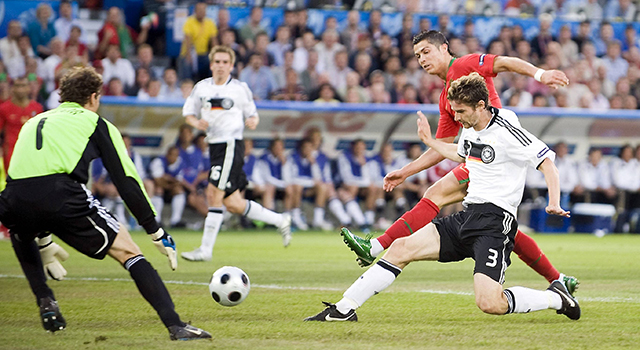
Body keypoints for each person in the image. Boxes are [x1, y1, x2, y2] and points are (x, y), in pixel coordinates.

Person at [305, 72, 580, 322]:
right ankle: (343, 309)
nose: (456, 118)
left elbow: (546, 163)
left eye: (461, 111)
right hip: (467, 216)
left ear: (481, 106)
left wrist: (553, 201)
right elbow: (460, 153)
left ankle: (556, 298)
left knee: (490, 303)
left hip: (494, 223)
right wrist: (429, 141)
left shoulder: (507, 129)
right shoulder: (472, 128)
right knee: (401, 249)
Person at [341, 30, 579, 294]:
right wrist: (405, 172)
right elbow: (442, 147)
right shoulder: (447, 97)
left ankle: (376, 246)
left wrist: (540, 74)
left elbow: (504, 62)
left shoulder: (464, 65)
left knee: (436, 195)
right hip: (479, 155)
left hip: (495, 156)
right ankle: (558, 279)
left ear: (444, 48)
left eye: (426, 51)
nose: (421, 59)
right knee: (503, 227)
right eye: (418, 55)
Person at [0, 66, 210, 340]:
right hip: (62, 195)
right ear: (94, 98)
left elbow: (27, 182)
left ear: (63, 97)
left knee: (21, 229)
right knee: (130, 253)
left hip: (12, 197)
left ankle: (45, 298)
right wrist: (154, 230)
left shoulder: (34, 121)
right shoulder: (94, 123)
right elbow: (126, 180)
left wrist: (43, 239)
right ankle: (176, 326)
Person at [181, 46, 291, 262]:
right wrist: (197, 122)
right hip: (214, 146)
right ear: (211, 64)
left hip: (230, 145)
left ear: (231, 66)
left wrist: (252, 121)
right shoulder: (202, 88)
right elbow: (188, 114)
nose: (221, 66)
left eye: (225, 62)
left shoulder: (240, 89)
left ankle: (205, 250)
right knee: (234, 204)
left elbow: (253, 115)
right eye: (217, 62)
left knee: (214, 194)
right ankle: (280, 220)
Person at [0, 77, 44, 171]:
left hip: (31, 151)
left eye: (23, 86)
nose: (20, 89)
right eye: (17, 86)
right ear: (12, 88)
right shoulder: (4, 108)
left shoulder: (37, 108)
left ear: (28, 88)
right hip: (11, 151)